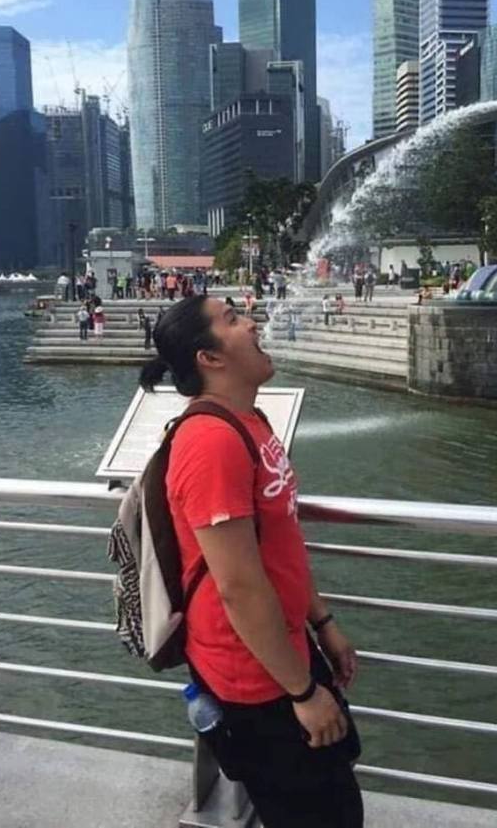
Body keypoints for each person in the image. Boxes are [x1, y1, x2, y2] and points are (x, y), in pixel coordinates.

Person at [140, 298, 362, 828]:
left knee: (329, 797)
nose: (253, 322)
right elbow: (237, 584)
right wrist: (303, 692)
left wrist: (321, 621)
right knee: (315, 814)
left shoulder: (248, 421)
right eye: (233, 319)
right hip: (253, 674)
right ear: (209, 358)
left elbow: (278, 542)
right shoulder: (210, 442)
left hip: (280, 650)